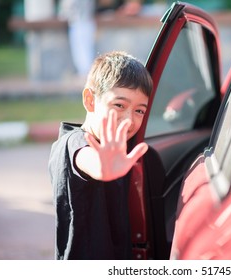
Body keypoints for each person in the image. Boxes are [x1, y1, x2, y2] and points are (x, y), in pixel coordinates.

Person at [48, 51, 153, 260]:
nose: (129, 120)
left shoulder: (116, 146)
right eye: (119, 105)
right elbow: (85, 159)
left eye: (139, 111)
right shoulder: (73, 143)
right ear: (90, 100)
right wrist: (102, 168)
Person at [59, 0, 97, 77]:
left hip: (81, 23)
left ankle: (85, 72)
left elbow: (68, 7)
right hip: (82, 23)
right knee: (82, 49)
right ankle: (84, 72)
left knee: (83, 49)